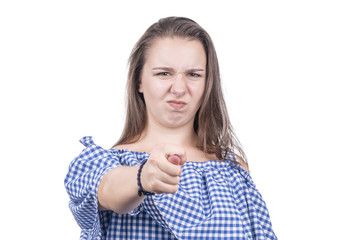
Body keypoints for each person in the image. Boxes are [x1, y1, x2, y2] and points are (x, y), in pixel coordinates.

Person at [65, 16, 277, 240]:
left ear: (208, 84)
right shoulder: (104, 164)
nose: (178, 88)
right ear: (139, 81)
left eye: (193, 75)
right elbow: (107, 190)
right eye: (164, 73)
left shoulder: (232, 168)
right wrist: (142, 177)